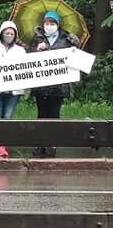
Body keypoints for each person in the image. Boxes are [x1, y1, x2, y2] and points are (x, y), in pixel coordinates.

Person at [31, 11, 80, 158]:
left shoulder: (67, 39)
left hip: (59, 86)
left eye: (52, 23)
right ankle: (39, 144)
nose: (49, 26)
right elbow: (27, 59)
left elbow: (74, 57)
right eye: (47, 23)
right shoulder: (37, 38)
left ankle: (52, 144)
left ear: (58, 25)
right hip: (40, 85)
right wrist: (36, 50)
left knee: (54, 115)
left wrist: (75, 46)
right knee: (41, 115)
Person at [0, 20, 27, 160]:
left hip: (13, 90)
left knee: (8, 117)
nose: (9, 35)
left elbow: (23, 66)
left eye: (11, 33)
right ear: (1, 34)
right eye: (6, 33)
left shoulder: (21, 50)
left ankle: (2, 145)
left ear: (15, 35)